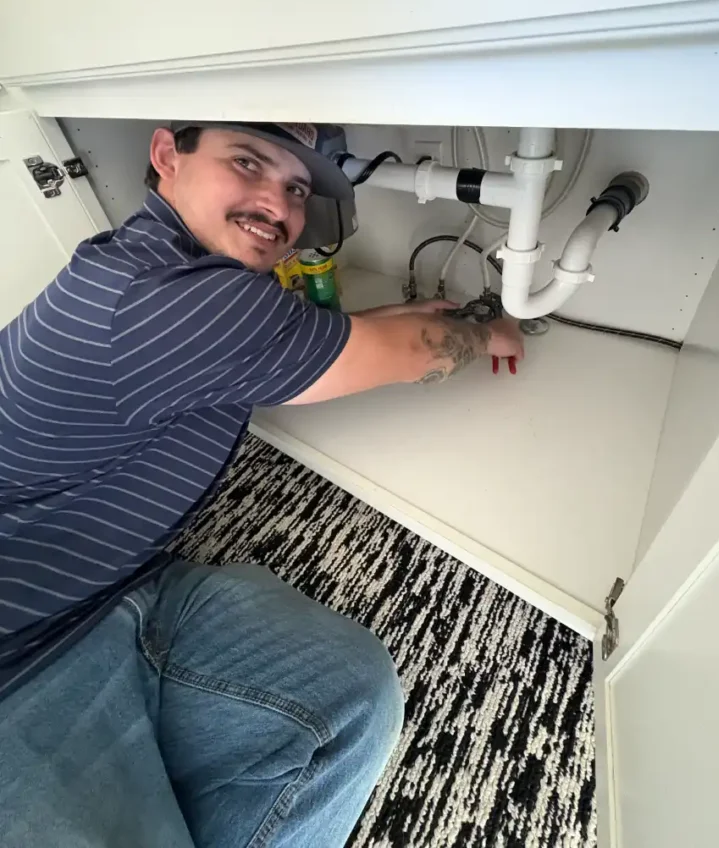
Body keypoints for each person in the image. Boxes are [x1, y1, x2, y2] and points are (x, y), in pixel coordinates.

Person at [0, 121, 523, 848]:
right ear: (165, 155)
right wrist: (491, 331)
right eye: (247, 162)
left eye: (297, 188)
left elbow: (273, 341)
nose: (277, 205)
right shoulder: (174, 305)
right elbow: (412, 356)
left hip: (117, 583)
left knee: (352, 695)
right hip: (21, 657)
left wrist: (388, 319)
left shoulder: (137, 265)